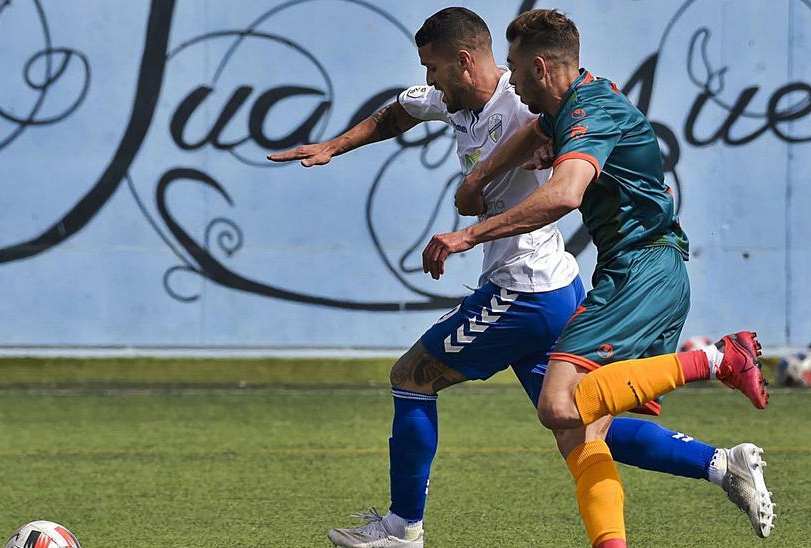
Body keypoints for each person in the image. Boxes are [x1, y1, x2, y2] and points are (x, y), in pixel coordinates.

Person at [272, 8, 770, 547]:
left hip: (524, 286)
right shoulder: (454, 97)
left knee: (412, 377)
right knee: (577, 424)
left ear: (465, 61)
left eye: (433, 67)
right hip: (556, 284)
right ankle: (721, 464)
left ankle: (402, 528)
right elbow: (397, 114)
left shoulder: (530, 98)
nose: (428, 79)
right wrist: (332, 147)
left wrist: (469, 230)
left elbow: (563, 179)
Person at [420, 9, 775, 547]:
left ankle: (722, 358)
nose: (509, 79)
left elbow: (564, 195)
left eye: (514, 68)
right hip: (625, 270)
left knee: (558, 405)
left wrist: (468, 235)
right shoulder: (568, 106)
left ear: (540, 67)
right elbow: (531, 136)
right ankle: (699, 482)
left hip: (644, 270)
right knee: (580, 431)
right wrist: (482, 174)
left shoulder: (592, 109)